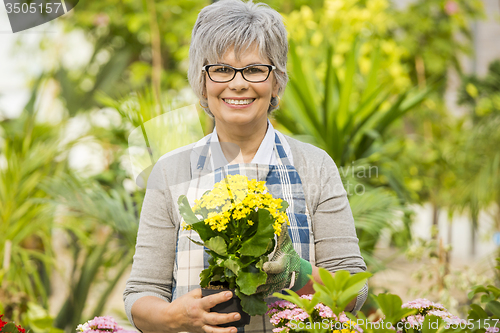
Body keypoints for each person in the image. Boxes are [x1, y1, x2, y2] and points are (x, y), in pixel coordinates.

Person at [123, 0, 367, 332]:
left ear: (276, 81)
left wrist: (295, 273)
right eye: (221, 69)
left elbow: (354, 287)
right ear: (203, 81)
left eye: (254, 69)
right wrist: (175, 317)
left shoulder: (314, 166)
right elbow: (141, 294)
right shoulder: (170, 172)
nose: (238, 84)